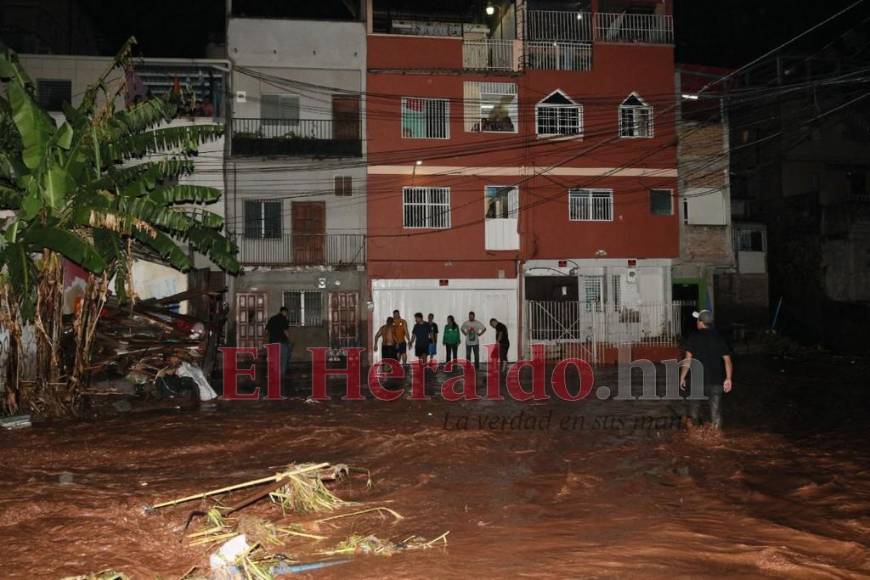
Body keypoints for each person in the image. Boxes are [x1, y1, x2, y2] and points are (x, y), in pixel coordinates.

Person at [679, 309, 733, 430]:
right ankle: (717, 435)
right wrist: (728, 378)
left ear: (701, 322)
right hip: (716, 381)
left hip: (697, 381)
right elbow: (727, 360)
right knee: (716, 413)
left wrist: (682, 377)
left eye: (698, 320)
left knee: (694, 412)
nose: (696, 322)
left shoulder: (693, 337)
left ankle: (694, 434)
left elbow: (687, 360)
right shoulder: (719, 338)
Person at [265, 306, 293, 377]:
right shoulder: (284, 319)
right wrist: (289, 339)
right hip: (282, 342)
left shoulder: (272, 318)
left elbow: (266, 331)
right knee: (284, 358)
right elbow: (285, 331)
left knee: (275, 358)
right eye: (286, 313)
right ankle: (282, 374)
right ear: (284, 312)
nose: (286, 314)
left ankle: (275, 373)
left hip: (272, 342)